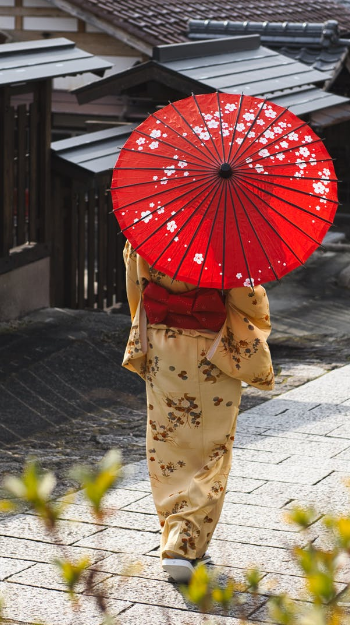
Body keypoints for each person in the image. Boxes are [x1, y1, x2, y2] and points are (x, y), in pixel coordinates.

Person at [121, 242, 274, 583]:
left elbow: (137, 290)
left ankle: (175, 532)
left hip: (163, 347)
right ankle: (184, 543)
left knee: (168, 446)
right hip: (211, 349)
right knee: (213, 451)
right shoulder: (224, 234)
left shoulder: (146, 230)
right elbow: (248, 299)